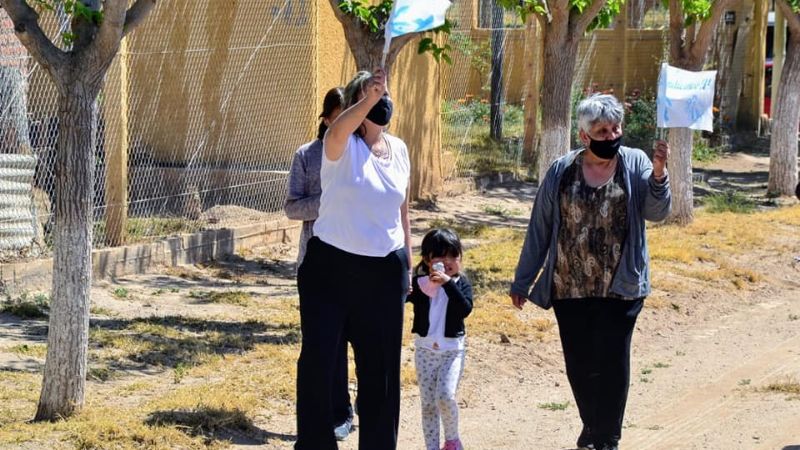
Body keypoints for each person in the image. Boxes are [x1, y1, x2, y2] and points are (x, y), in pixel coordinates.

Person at [509, 93, 671, 450]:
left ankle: (607, 437)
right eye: (602, 130)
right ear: (584, 136)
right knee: (580, 364)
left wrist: (659, 175)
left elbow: (656, 212)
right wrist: (524, 279)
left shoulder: (635, 162)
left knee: (612, 359)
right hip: (570, 284)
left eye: (615, 128)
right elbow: (540, 227)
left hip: (622, 284)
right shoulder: (561, 171)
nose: (611, 135)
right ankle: (592, 425)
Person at [294, 67, 412, 450]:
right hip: (330, 269)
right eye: (370, 94)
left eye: (384, 92)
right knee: (320, 364)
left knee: (380, 372)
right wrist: (366, 100)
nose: (381, 98)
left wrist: (407, 265)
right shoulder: (339, 145)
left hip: (383, 272)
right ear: (355, 103)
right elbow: (340, 129)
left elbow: (403, 212)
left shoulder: (400, 150)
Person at [283, 86, 354, 441]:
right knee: (320, 344)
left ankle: (344, 410)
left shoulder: (359, 154)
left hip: (356, 264)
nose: (343, 123)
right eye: (337, 116)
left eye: (349, 116)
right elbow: (292, 206)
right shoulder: (307, 156)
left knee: (347, 339)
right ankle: (329, 415)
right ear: (325, 119)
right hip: (313, 263)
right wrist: (328, 202)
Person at [406, 228, 473, 450]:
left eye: (454, 256)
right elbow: (404, 296)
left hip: (452, 351)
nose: (449, 262)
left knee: (445, 395)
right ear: (427, 260)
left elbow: (465, 309)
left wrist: (447, 283)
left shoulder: (460, 283)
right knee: (427, 404)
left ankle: (452, 440)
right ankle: (432, 446)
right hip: (425, 350)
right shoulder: (420, 284)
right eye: (441, 257)